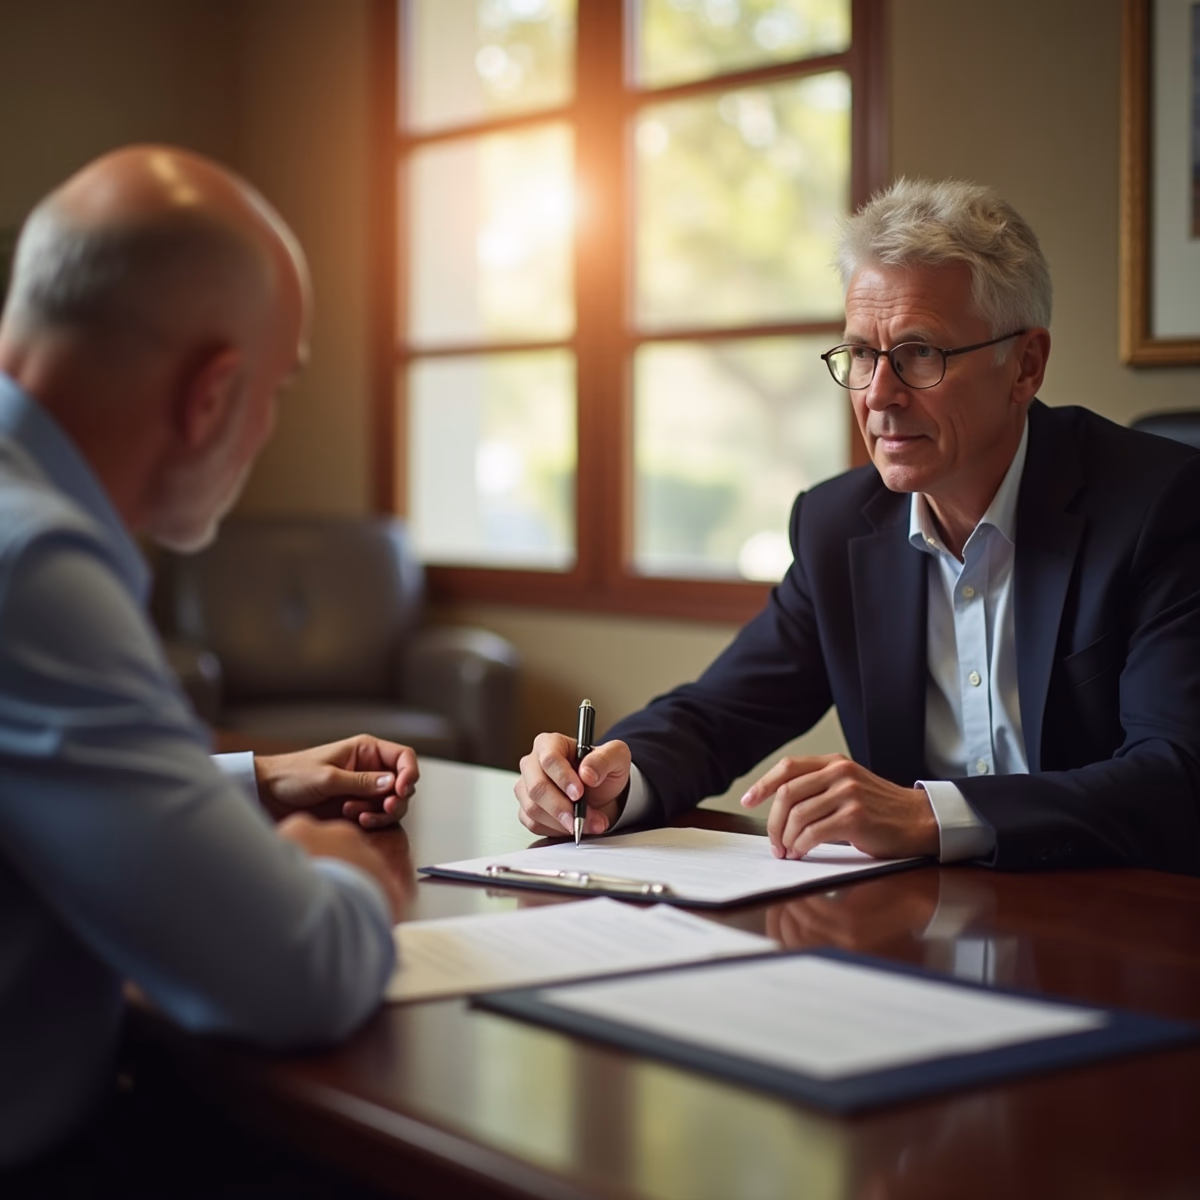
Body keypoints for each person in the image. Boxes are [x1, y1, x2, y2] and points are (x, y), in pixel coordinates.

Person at [515, 178, 1200, 877]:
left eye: (919, 354)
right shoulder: (837, 525)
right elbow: (719, 713)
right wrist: (607, 783)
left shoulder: (1160, 506)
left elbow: (1175, 775)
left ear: (1024, 366)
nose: (878, 395)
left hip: (1122, 920)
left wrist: (930, 814)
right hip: (920, 923)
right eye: (862, 355)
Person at [0, 145, 418, 1176]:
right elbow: (293, 972)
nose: (266, 427)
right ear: (213, 396)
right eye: (275, 391)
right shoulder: (35, 567)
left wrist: (253, 781)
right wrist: (348, 878)